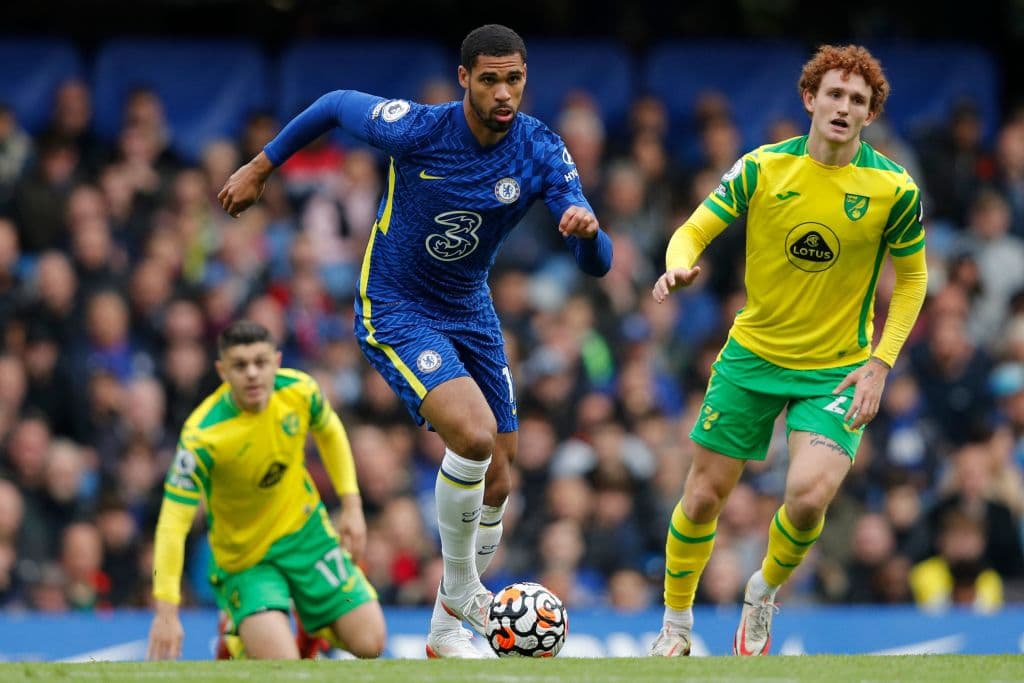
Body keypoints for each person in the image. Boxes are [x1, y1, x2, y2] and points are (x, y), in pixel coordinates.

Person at [218, 24, 613, 658]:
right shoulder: (420, 128)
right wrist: (263, 166)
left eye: (514, 79)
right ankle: (463, 593)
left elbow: (597, 262)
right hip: (396, 305)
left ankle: (443, 631)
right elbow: (336, 102)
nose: (504, 92)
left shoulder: (540, 149)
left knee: (501, 478)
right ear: (465, 80)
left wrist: (588, 234)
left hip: (469, 306)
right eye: (489, 79)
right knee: (476, 436)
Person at [648, 44, 928, 656]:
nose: (843, 106)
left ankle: (764, 592)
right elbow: (693, 229)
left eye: (858, 100)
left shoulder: (892, 188)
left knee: (806, 499)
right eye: (834, 93)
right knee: (701, 496)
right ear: (810, 99)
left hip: (837, 371)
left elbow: (912, 280)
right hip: (752, 357)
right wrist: (678, 265)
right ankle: (675, 625)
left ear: (869, 114)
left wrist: (881, 363)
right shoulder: (762, 168)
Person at [146, 320, 385, 660]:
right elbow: (172, 523)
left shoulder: (300, 391)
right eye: (240, 365)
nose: (253, 374)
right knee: (283, 667)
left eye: (261, 362)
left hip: (307, 537)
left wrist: (351, 505)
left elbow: (330, 431)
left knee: (370, 642)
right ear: (222, 371)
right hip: (247, 561)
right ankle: (237, 638)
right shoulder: (202, 436)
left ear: (277, 360)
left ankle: (309, 622)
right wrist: (166, 613)